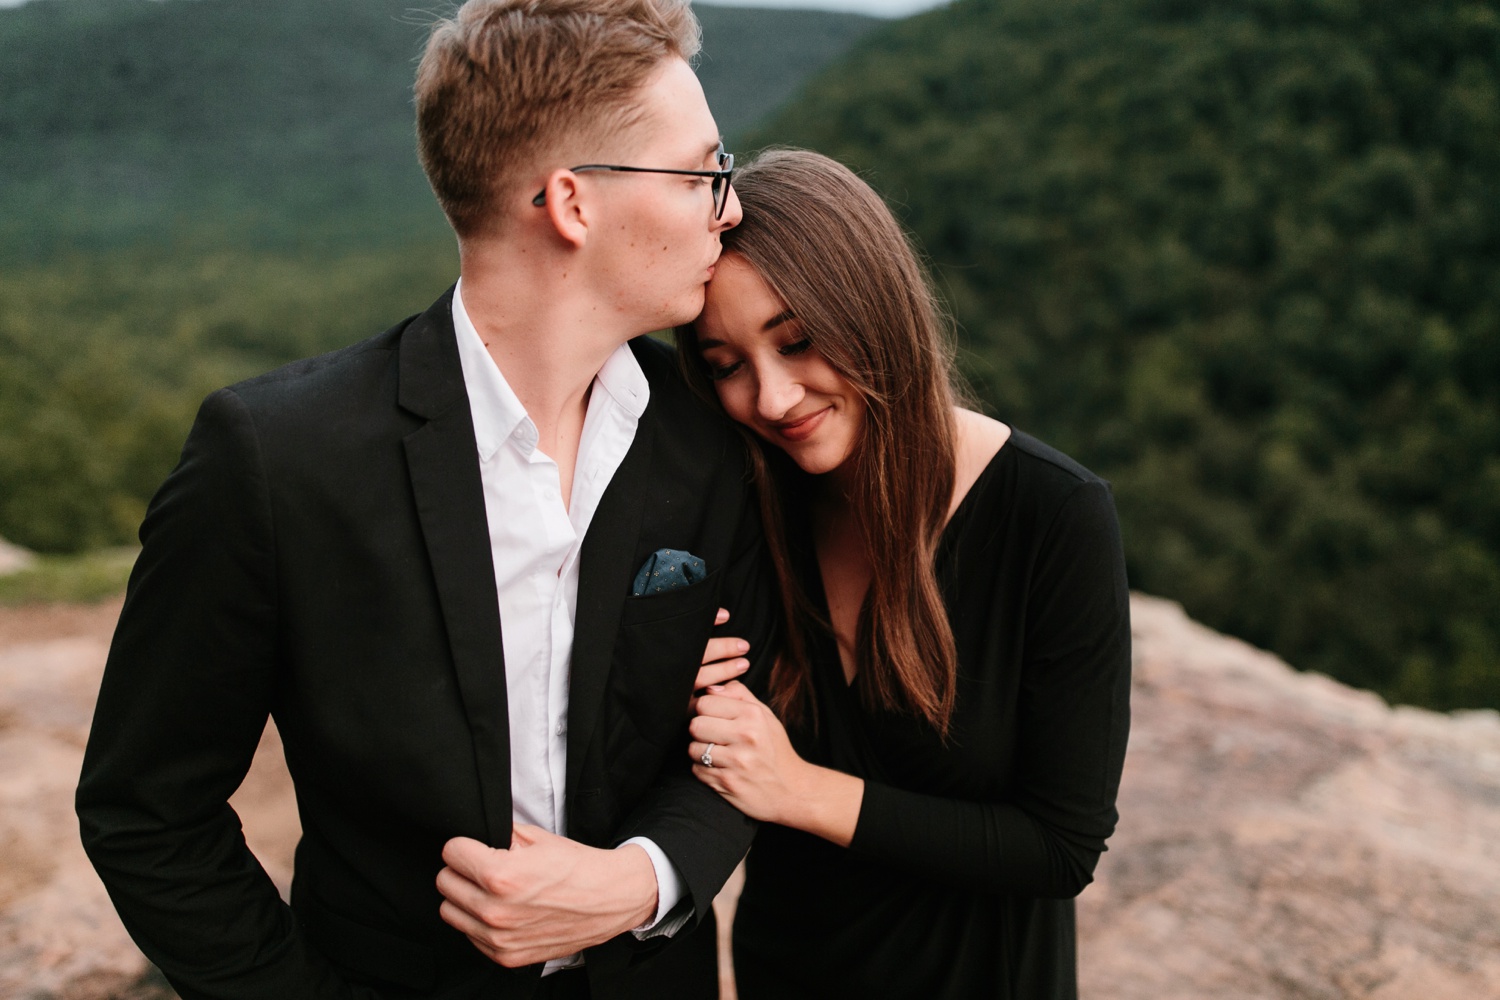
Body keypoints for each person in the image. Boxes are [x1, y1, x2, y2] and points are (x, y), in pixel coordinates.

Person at [74, 2, 778, 998]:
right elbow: (146, 809)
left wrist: (640, 879)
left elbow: (737, 729)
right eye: (705, 171)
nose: (729, 207)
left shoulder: (711, 444)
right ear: (573, 203)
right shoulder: (276, 460)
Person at [676, 149, 1132, 999]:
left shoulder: (1053, 515)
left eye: (798, 342)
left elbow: (1060, 847)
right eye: (727, 365)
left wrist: (800, 789)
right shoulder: (753, 506)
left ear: (872, 307)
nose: (771, 400)